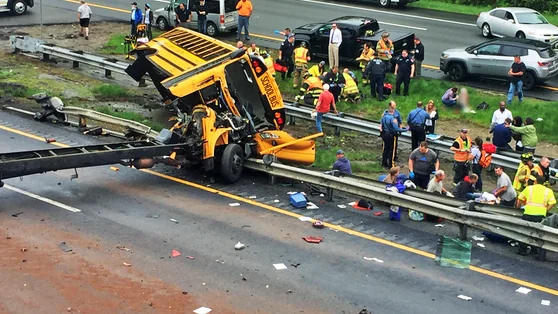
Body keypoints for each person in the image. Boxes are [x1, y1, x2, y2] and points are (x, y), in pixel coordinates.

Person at [516, 174, 555, 256]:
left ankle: (522, 250)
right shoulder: (548, 191)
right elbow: (552, 203)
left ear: (535, 181)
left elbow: (520, 199)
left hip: (528, 213)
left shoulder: (529, 188)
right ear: (544, 183)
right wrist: (545, 210)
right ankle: (534, 250)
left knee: (524, 232)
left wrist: (518, 207)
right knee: (536, 234)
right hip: (540, 216)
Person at [380, 102, 408, 168]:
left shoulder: (384, 117)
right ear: (393, 111)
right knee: (391, 150)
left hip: (385, 134)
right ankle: (391, 164)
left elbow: (381, 125)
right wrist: (405, 130)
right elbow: (396, 128)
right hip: (391, 135)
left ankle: (384, 163)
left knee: (386, 149)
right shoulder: (393, 119)